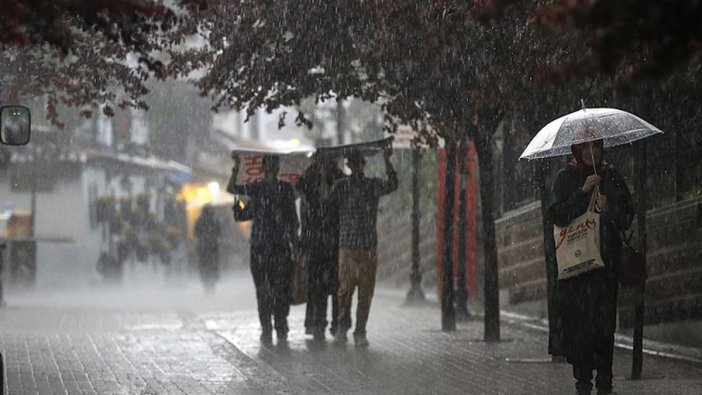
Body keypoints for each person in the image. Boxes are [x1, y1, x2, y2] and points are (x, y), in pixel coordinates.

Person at [549, 139, 634, 395]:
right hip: (576, 269)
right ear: (577, 150)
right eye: (585, 147)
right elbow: (557, 215)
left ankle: (605, 380)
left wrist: (610, 209)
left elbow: (627, 216)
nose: (590, 152)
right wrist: (582, 193)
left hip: (604, 267)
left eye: (595, 146)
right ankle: (583, 381)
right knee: (580, 327)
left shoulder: (611, 176)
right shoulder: (566, 177)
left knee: (605, 326)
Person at [329, 147, 398, 347]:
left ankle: (360, 330)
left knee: (365, 292)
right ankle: (343, 327)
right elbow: (327, 205)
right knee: (345, 289)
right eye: (352, 162)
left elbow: (393, 184)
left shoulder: (372, 185)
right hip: (348, 245)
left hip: (367, 246)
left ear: (362, 165)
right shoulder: (340, 186)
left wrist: (387, 161)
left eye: (358, 162)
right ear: (349, 165)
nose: (356, 166)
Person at [227, 153, 299, 345]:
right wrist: (236, 167)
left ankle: (281, 325)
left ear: (277, 168)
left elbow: (293, 220)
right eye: (269, 166)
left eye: (274, 166)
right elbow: (232, 188)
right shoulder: (257, 189)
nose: (272, 169)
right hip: (260, 248)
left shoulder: (286, 189)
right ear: (264, 168)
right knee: (263, 290)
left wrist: (295, 245)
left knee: (281, 289)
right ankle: (266, 327)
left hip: (281, 247)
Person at [296, 154, 345, 341]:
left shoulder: (339, 178)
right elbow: (301, 195)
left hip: (334, 240)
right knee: (317, 285)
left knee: (335, 285)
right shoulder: (309, 177)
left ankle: (336, 323)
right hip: (315, 242)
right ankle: (318, 323)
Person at [194, 204, 222, 293]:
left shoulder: (199, 220)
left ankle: (206, 285)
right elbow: (219, 232)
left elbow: (196, 233)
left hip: (203, 248)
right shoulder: (215, 220)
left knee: (204, 266)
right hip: (213, 247)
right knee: (213, 266)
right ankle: (212, 284)